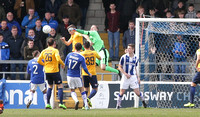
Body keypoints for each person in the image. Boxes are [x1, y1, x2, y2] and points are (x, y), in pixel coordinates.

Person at [37, 38, 66, 109]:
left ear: (47, 44)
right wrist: (63, 64)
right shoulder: (55, 50)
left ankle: (47, 104)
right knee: (60, 86)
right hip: (55, 71)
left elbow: (38, 60)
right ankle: (61, 103)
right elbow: (58, 59)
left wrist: (44, 64)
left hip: (47, 71)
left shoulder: (44, 51)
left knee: (50, 86)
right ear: (54, 44)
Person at [116, 44, 147, 109]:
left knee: (137, 92)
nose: (128, 49)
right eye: (128, 48)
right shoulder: (123, 57)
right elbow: (119, 67)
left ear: (133, 49)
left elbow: (135, 68)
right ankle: (118, 105)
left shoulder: (136, 58)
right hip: (125, 77)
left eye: (130, 48)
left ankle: (143, 101)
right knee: (121, 92)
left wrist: (138, 77)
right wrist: (125, 74)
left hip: (133, 77)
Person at [65, 42, 92, 110]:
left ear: (74, 47)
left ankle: (76, 100)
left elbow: (65, 64)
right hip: (77, 76)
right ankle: (86, 105)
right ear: (81, 48)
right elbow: (84, 68)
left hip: (69, 75)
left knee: (72, 90)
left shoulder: (69, 55)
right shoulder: (81, 57)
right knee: (82, 90)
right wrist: (89, 73)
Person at [80, 41, 101, 109]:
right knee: (95, 88)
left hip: (84, 73)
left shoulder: (82, 53)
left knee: (86, 89)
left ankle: (84, 105)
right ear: (90, 46)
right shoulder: (94, 52)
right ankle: (88, 98)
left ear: (84, 46)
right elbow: (100, 58)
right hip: (92, 73)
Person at [184, 42, 200, 107]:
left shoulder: (199, 50)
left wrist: (196, 66)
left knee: (193, 84)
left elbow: (198, 59)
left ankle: (191, 102)